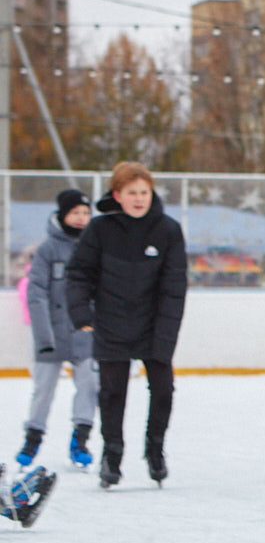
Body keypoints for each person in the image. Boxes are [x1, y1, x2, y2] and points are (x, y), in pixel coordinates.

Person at [67, 162, 187, 489]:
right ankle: (112, 454)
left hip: (154, 323)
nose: (139, 199)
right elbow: (79, 274)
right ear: (117, 195)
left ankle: (155, 448)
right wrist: (81, 314)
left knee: (163, 389)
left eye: (144, 192)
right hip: (111, 323)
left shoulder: (168, 230)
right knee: (112, 393)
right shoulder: (99, 229)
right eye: (131, 192)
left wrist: (167, 331)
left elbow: (174, 287)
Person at [15, 190, 100, 470]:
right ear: (63, 215)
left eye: (86, 213)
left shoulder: (94, 247)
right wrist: (43, 335)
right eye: (75, 212)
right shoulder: (48, 249)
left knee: (89, 385)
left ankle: (80, 439)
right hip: (52, 333)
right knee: (43, 389)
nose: (81, 218)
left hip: (84, 332)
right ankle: (32, 438)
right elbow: (36, 293)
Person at [1, 463, 57, 528]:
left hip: (12, 506)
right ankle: (37, 481)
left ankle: (36, 481)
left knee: (8, 496)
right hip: (14, 507)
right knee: (9, 499)